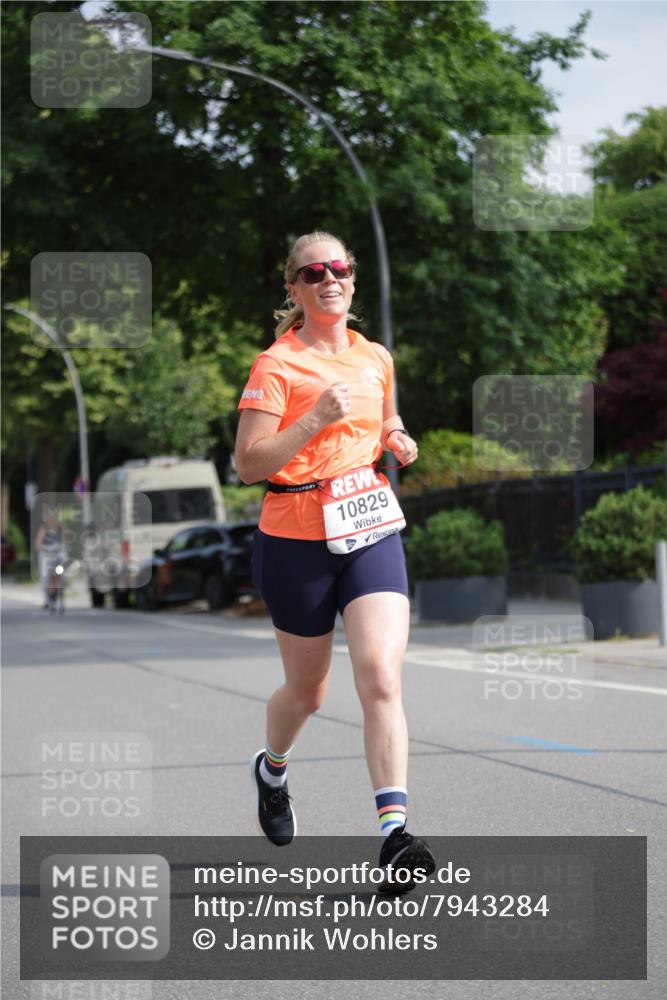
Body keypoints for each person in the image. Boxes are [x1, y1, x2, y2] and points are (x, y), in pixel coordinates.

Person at [235, 230, 435, 892]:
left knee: (379, 674)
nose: (329, 278)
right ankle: (273, 767)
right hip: (294, 536)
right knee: (308, 692)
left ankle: (395, 836)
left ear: (351, 279)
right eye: (312, 271)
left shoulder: (375, 355)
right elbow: (248, 463)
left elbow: (383, 417)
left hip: (368, 522)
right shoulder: (276, 366)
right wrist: (314, 416)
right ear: (291, 288)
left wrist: (395, 435)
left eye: (339, 268)